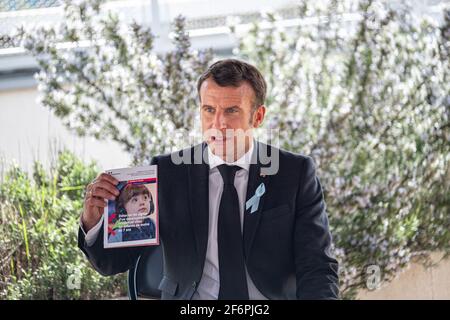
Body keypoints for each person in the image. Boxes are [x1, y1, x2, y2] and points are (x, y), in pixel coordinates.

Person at [78, 59, 339, 300]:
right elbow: (112, 263)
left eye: (232, 111)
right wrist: (93, 221)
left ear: (257, 117)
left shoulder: (294, 173)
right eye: (209, 109)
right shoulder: (167, 173)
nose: (218, 123)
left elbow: (316, 266)